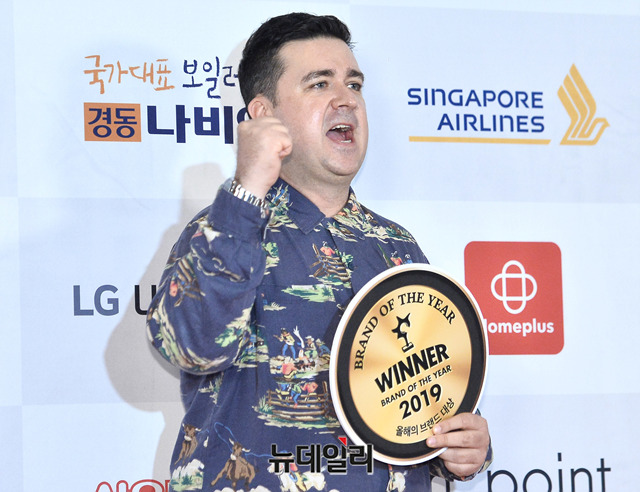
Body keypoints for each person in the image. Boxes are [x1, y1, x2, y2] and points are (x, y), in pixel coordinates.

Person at [147, 12, 492, 491]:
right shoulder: (222, 230)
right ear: (264, 116)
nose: (346, 98)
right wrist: (246, 193)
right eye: (319, 84)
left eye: (354, 84)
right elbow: (189, 347)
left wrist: (462, 448)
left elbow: (422, 407)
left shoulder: (397, 245)